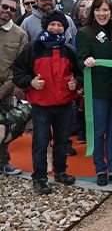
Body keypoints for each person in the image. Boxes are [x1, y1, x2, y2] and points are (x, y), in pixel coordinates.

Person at [13, 10, 81, 195]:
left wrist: (77, 82)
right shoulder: (33, 48)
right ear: (46, 26)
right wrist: (31, 82)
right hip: (41, 105)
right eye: (53, 24)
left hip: (65, 104)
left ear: (64, 29)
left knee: (61, 140)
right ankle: (40, 178)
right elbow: (18, 73)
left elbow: (80, 72)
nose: (56, 28)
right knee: (41, 142)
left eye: (60, 25)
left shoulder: (69, 50)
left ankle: (61, 172)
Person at [76, 0, 112, 186]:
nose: (102, 13)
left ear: (111, 13)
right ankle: (100, 169)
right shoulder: (84, 33)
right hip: (97, 90)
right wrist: (86, 61)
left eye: (106, 10)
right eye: (98, 10)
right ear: (92, 12)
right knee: (98, 132)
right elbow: (79, 61)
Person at [0, 0, 28, 175]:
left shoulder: (20, 35)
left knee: (4, 130)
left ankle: (3, 163)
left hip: (5, 91)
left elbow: (19, 68)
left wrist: (3, 91)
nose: (8, 11)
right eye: (5, 7)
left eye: (12, 9)